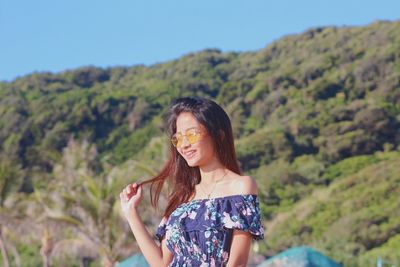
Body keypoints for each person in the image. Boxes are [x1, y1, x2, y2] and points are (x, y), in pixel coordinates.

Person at [120, 97, 264, 267]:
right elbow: (160, 263)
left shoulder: (241, 186)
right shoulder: (182, 197)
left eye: (192, 134)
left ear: (218, 135)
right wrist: (131, 213)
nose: (184, 145)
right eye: (178, 138)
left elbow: (237, 262)